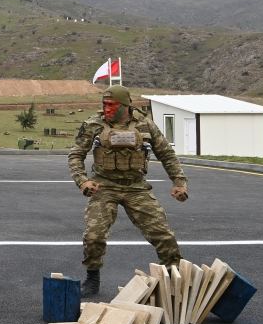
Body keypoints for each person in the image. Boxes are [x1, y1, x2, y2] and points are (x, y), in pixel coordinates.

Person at [68, 85, 188, 297]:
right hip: (104, 186)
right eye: (104, 104)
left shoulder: (146, 125)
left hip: (136, 187)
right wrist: (83, 181)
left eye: (111, 105)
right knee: (94, 235)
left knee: (163, 234)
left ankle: (173, 278)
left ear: (125, 105)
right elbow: (76, 154)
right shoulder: (93, 124)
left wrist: (179, 182)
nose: (106, 108)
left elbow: (167, 154)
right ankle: (92, 278)